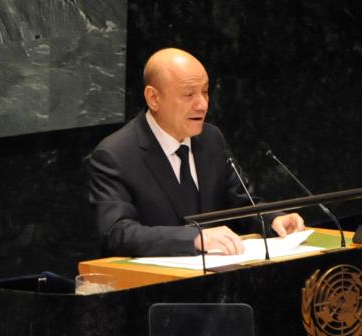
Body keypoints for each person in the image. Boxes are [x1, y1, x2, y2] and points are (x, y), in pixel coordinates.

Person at [86, 48, 304, 257]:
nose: (202, 105)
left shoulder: (212, 138)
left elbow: (242, 204)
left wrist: (272, 219)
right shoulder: (115, 154)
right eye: (188, 94)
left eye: (205, 92)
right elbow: (117, 232)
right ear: (153, 98)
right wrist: (194, 239)